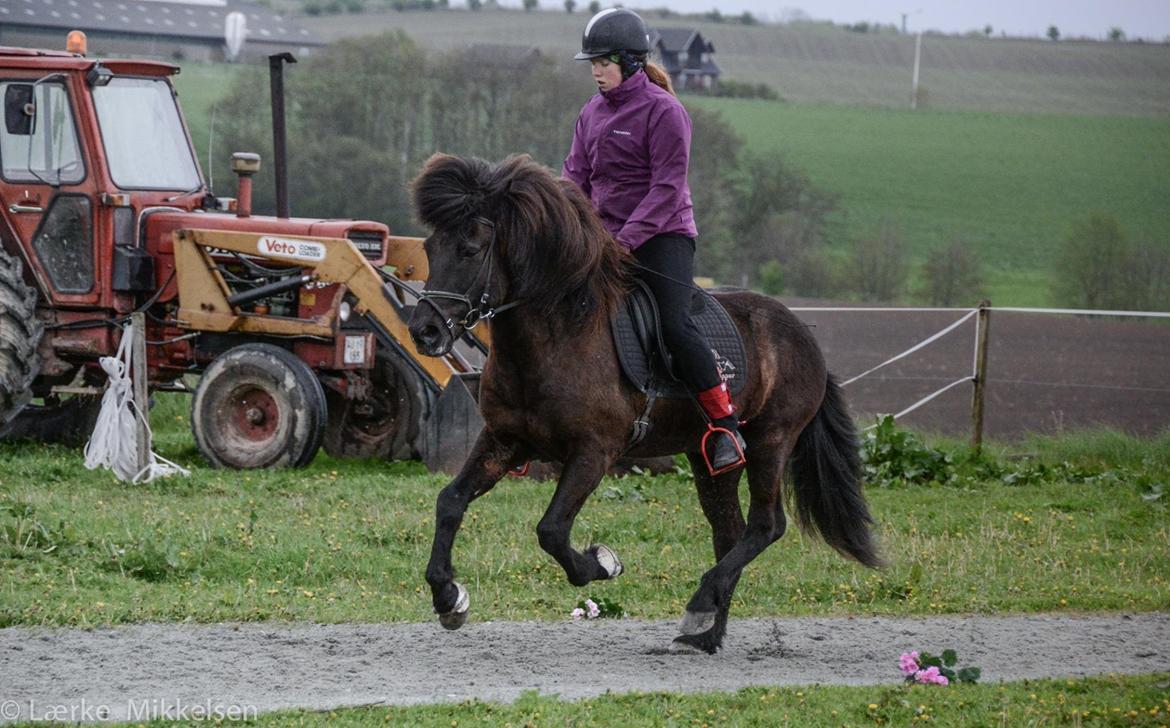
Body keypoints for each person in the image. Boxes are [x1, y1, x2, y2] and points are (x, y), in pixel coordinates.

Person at [562, 7, 746, 474]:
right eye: (592, 64)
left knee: (674, 324)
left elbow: (666, 189)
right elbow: (575, 177)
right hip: (604, 237)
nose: (596, 72)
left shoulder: (666, 112)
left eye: (603, 63)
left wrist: (624, 242)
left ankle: (724, 425)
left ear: (630, 61)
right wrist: (570, 229)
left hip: (662, 235)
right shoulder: (591, 111)